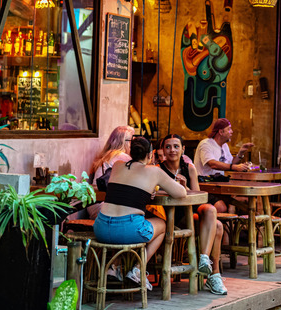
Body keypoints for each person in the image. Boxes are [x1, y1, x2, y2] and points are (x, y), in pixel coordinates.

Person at [93, 136, 187, 290]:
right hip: (127, 231)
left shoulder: (117, 165)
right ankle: (137, 270)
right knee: (161, 225)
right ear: (150, 154)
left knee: (132, 224)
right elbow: (181, 193)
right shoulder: (154, 171)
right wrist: (181, 184)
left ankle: (114, 267)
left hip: (101, 228)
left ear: (131, 152)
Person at [157, 134, 228, 295]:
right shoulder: (158, 170)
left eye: (176, 146)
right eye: (168, 147)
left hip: (190, 213)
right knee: (217, 226)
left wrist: (186, 189)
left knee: (211, 211)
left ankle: (204, 259)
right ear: (163, 150)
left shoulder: (189, 168)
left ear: (183, 149)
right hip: (170, 216)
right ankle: (214, 275)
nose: (172, 150)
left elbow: (198, 198)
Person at [193, 118, 254, 213]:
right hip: (204, 186)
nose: (232, 132)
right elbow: (212, 163)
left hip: (218, 186)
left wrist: (240, 153)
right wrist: (234, 167)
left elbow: (230, 163)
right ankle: (214, 222)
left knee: (245, 201)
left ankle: (242, 220)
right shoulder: (206, 144)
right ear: (221, 132)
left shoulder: (224, 146)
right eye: (229, 129)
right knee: (222, 207)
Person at [87, 126, 135, 220]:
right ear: (124, 142)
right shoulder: (123, 157)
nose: (134, 145)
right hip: (106, 207)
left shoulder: (109, 154)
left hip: (93, 204)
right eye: (132, 141)